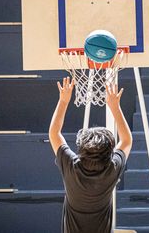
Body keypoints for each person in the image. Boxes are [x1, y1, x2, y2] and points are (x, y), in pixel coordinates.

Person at [48, 76, 132, 233]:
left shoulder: (71, 166)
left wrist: (64, 101)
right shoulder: (112, 168)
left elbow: (54, 132)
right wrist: (115, 107)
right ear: (109, 152)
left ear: (81, 149)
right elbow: (126, 140)